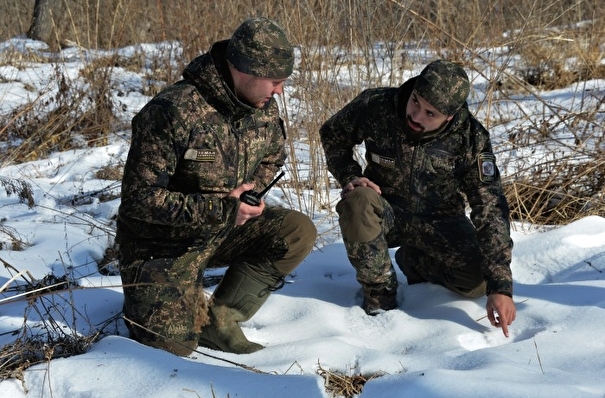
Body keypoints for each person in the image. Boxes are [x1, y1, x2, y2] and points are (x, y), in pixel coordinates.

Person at [116, 17, 317, 356]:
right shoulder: (173, 111)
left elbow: (273, 157)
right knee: (174, 347)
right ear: (245, 70)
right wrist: (221, 209)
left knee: (296, 232)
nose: (279, 91)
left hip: (222, 231)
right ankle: (157, 304)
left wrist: (251, 193)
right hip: (162, 245)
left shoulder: (263, 108)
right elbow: (139, 200)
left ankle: (221, 316)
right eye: (275, 81)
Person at [319, 60, 516, 337]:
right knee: (358, 201)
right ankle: (380, 298)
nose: (416, 115)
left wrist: (500, 287)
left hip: (441, 221)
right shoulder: (377, 105)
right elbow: (333, 134)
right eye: (415, 102)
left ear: (449, 116)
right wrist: (349, 174)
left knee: (477, 280)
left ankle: (413, 261)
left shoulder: (471, 137)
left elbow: (490, 206)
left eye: (430, 113)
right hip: (384, 209)